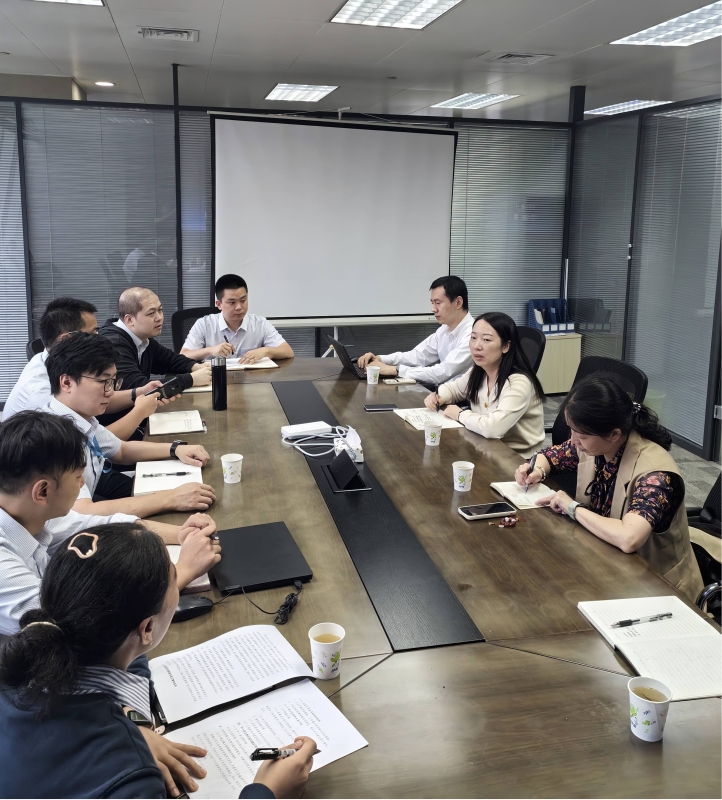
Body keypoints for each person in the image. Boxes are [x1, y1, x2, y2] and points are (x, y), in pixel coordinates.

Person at [0, 522, 315, 799]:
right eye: (175, 576)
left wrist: (135, 722)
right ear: (147, 628)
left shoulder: (20, 665)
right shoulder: (132, 775)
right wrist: (267, 792)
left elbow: (129, 658)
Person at [0, 411, 220, 637]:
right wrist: (183, 571)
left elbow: (104, 525)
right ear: (42, 491)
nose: (82, 484)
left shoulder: (31, 511)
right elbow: (73, 621)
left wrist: (183, 534)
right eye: (77, 477)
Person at [514, 376, 704, 602]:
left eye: (582, 436)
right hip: (605, 566)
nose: (573, 441)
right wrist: (537, 470)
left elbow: (629, 538)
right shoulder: (596, 445)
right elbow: (551, 456)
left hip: (657, 588)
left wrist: (572, 507)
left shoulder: (656, 476)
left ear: (614, 434)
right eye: (572, 431)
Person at [44, 333, 216, 515]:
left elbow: (121, 450)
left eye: (113, 382)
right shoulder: (54, 438)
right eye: (104, 382)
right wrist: (170, 498)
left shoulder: (80, 417)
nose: (110, 392)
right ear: (67, 382)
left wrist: (175, 449)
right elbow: (84, 512)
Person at [2, 297, 164, 432]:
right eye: (92, 333)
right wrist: (140, 412)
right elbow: (93, 445)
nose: (99, 338)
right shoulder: (44, 394)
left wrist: (138, 393)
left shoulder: (52, 359)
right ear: (66, 339)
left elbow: (95, 399)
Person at [425, 312, 545, 457]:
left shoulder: (518, 383)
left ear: (505, 346)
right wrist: (439, 396)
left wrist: (460, 414)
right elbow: (454, 389)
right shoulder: (480, 371)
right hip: (484, 448)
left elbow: (493, 428)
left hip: (517, 459)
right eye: (473, 338)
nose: (477, 346)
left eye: (486, 340)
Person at [98, 287, 211, 429]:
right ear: (129, 319)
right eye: (151, 313)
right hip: (116, 426)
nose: (159, 317)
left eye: (160, 310)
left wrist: (197, 367)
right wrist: (192, 379)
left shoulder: (142, 338)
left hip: (136, 419)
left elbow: (170, 360)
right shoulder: (113, 343)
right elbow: (140, 388)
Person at [357, 275, 474, 384]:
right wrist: (380, 359)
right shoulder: (444, 329)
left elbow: (442, 372)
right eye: (432, 303)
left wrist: (394, 370)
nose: (433, 309)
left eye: (438, 303)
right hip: (444, 392)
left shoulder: (473, 335)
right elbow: (417, 356)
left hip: (461, 397)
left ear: (458, 302)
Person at [181, 274, 294, 365]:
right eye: (232, 302)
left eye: (243, 300)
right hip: (215, 380)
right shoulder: (204, 324)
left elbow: (288, 351)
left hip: (252, 381)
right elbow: (183, 355)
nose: (239, 307)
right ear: (219, 304)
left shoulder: (260, 324)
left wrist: (265, 351)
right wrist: (211, 350)